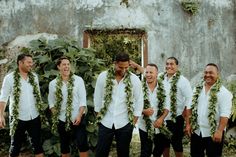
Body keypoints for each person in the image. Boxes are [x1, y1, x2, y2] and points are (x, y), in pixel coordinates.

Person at [130, 57, 192, 157]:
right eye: (167, 64)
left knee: (177, 143)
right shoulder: (161, 77)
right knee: (163, 144)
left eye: (172, 64)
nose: (169, 66)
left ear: (177, 66)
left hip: (175, 117)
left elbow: (189, 101)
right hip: (160, 118)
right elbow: (148, 72)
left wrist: (187, 121)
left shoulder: (183, 81)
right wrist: (137, 66)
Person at [94, 52, 144, 157]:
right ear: (115, 63)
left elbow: (139, 100)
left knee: (123, 153)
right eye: (121, 67)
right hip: (105, 121)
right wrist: (98, 115)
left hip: (125, 123)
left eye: (126, 67)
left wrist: (133, 121)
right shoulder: (103, 77)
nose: (124, 70)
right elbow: (97, 97)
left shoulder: (134, 80)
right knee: (101, 152)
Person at [0, 53, 44, 157]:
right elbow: (3, 98)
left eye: (31, 62)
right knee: (15, 147)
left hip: (34, 116)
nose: (31, 64)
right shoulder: (9, 78)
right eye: (28, 62)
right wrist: (1, 115)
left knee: (37, 145)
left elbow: (38, 96)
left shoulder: (34, 77)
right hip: (17, 118)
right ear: (20, 63)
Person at [187, 63, 232, 157]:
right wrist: (188, 124)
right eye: (206, 72)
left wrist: (219, 131)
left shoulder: (224, 93)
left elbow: (225, 114)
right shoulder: (197, 89)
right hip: (197, 130)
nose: (208, 75)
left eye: (211, 73)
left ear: (217, 74)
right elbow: (189, 107)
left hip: (213, 132)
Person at [48, 56, 89, 157]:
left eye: (68, 64)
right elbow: (51, 102)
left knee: (82, 143)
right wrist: (55, 115)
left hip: (78, 117)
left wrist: (79, 115)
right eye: (64, 64)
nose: (66, 67)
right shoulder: (53, 84)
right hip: (62, 118)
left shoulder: (78, 80)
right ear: (58, 67)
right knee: (64, 145)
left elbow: (83, 100)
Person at [137, 63, 170, 157]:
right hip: (144, 125)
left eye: (151, 72)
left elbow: (167, 107)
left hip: (160, 125)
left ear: (156, 74)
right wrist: (143, 111)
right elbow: (133, 105)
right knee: (145, 151)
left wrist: (161, 119)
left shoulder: (164, 88)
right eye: (146, 72)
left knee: (159, 149)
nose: (148, 75)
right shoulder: (139, 87)